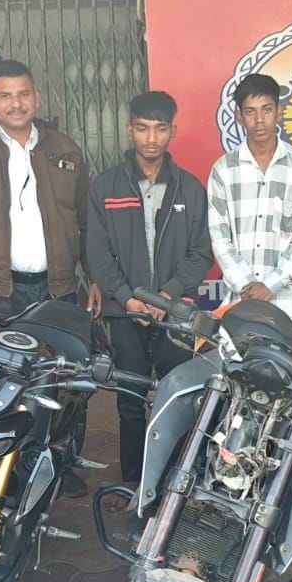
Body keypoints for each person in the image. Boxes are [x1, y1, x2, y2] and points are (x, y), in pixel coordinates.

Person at [0, 59, 99, 496]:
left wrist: (95, 277)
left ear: (36, 98)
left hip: (58, 288)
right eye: (5, 95)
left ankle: (59, 464)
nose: (16, 103)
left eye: (23, 94)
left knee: (64, 381)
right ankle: (2, 471)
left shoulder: (66, 150)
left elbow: (87, 222)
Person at [85, 91, 213, 485]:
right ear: (130, 131)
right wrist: (127, 298)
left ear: (173, 131)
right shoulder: (106, 186)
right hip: (125, 313)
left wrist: (168, 297)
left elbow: (201, 253)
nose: (151, 138)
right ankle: (134, 484)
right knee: (130, 400)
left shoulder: (189, 189)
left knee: (178, 398)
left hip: (175, 315)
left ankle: (174, 481)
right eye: (143, 129)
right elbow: (97, 253)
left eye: (160, 129)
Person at [206, 73, 292, 329]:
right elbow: (219, 236)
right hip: (239, 306)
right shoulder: (224, 169)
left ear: (279, 111)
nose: (259, 120)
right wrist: (247, 285)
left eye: (266, 110)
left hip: (287, 307)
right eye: (250, 112)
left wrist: (270, 284)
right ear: (239, 116)